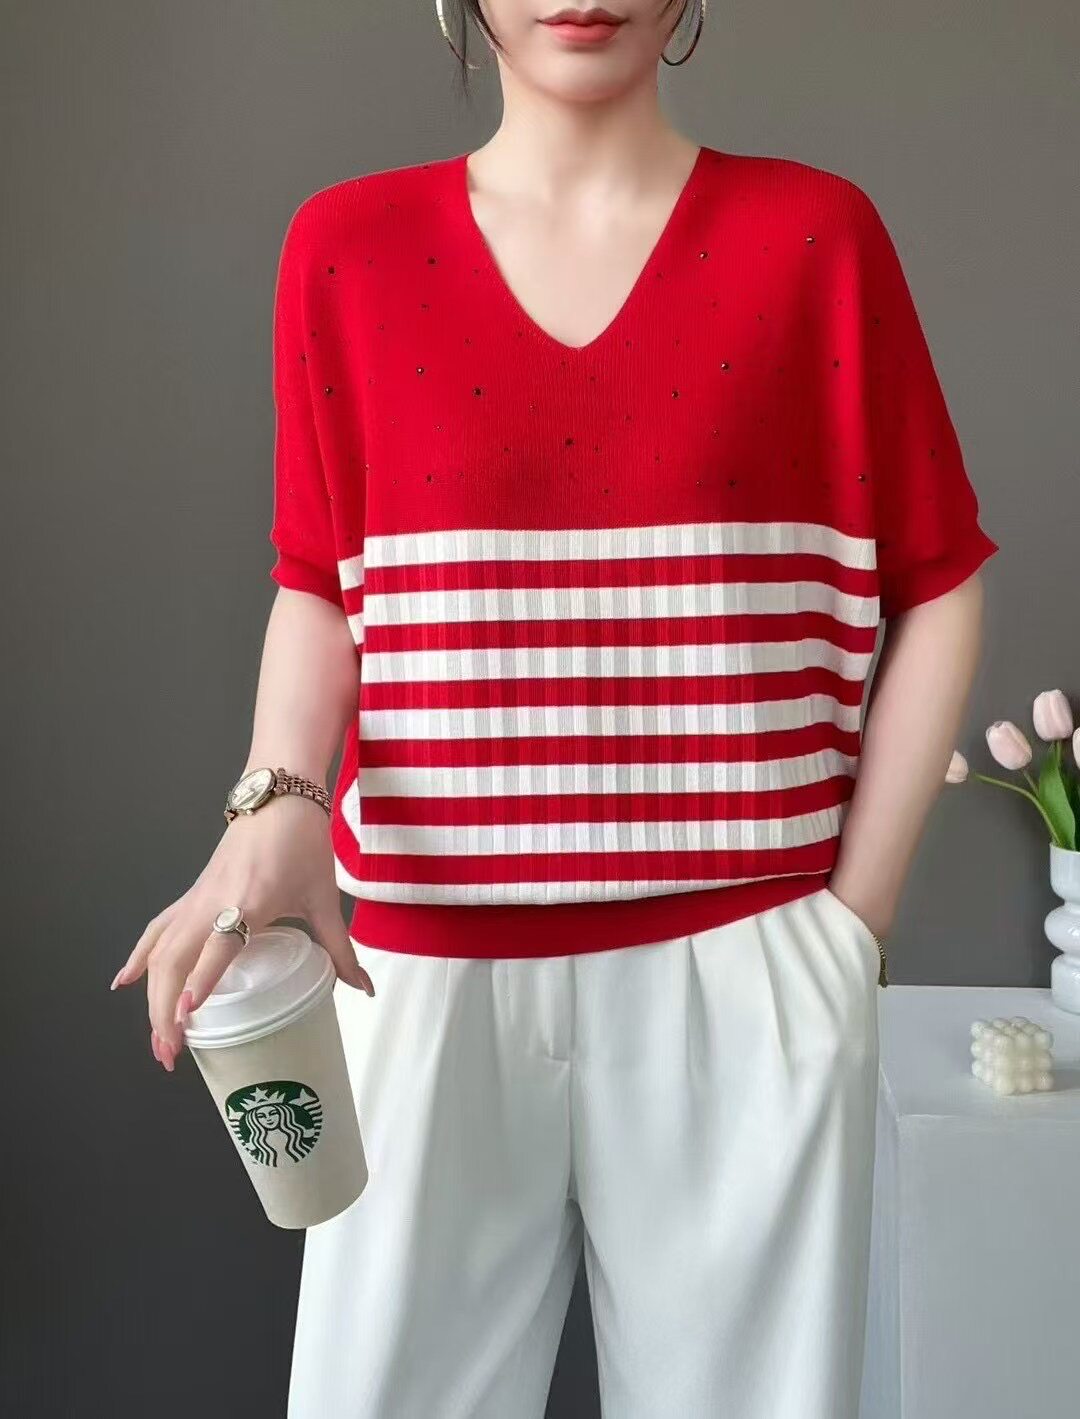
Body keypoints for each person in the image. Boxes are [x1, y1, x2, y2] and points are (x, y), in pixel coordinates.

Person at [111, 2, 999, 1415]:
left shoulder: (815, 240)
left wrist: (848, 927)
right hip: (417, 967)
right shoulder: (346, 249)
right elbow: (321, 585)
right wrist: (276, 804)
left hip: (743, 964)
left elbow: (939, 580)